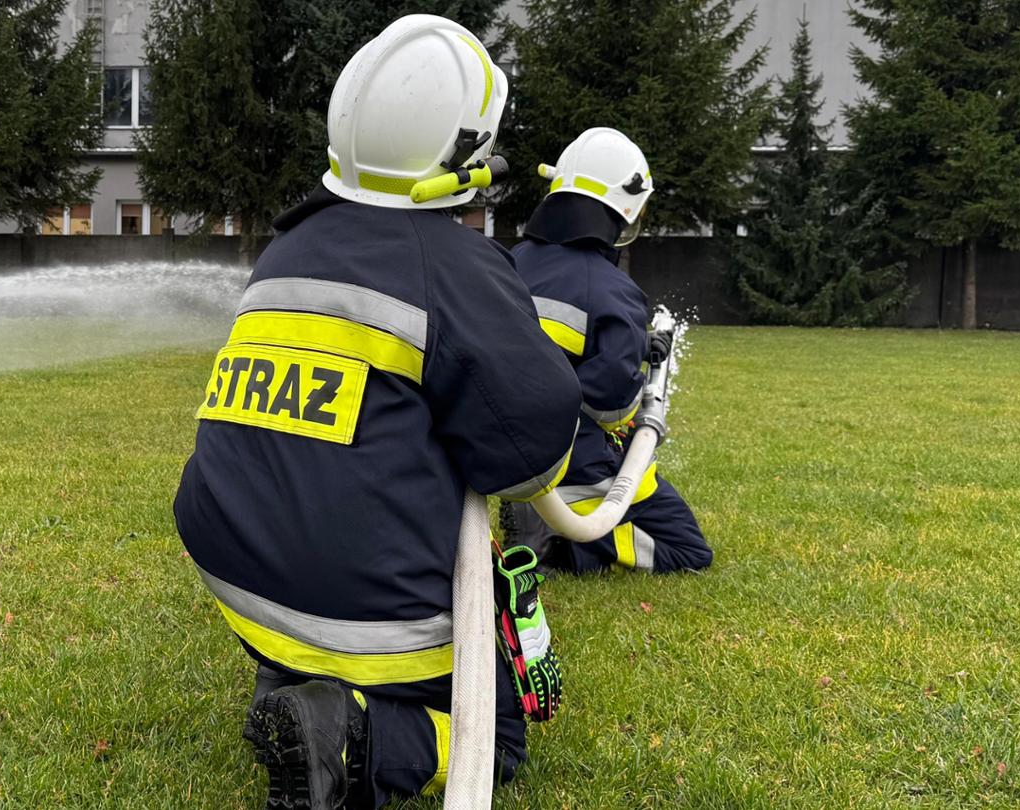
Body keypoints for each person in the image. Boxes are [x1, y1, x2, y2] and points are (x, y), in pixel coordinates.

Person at [172, 16, 582, 808]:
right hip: (357, 605)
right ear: (466, 153)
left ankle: (294, 678)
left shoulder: (287, 248)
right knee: (495, 738)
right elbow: (533, 459)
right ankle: (349, 731)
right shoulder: (455, 265)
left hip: (232, 568)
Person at [499, 128, 713, 575]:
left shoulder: (510, 261)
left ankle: (539, 515)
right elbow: (613, 408)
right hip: (575, 464)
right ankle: (565, 544)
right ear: (625, 208)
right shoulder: (614, 290)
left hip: (504, 450)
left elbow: (548, 352)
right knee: (689, 551)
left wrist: (637, 345)